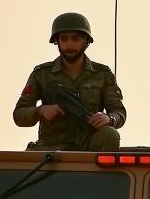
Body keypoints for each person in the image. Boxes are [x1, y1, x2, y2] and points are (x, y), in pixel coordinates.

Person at [14, 12, 126, 151]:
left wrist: (108, 119)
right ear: (57, 42)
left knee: (110, 134)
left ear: (86, 41)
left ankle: (103, 173)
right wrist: (40, 111)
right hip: (50, 148)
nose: (69, 44)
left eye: (75, 39)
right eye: (64, 39)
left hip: (89, 145)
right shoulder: (42, 74)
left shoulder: (102, 74)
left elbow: (119, 111)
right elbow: (19, 115)